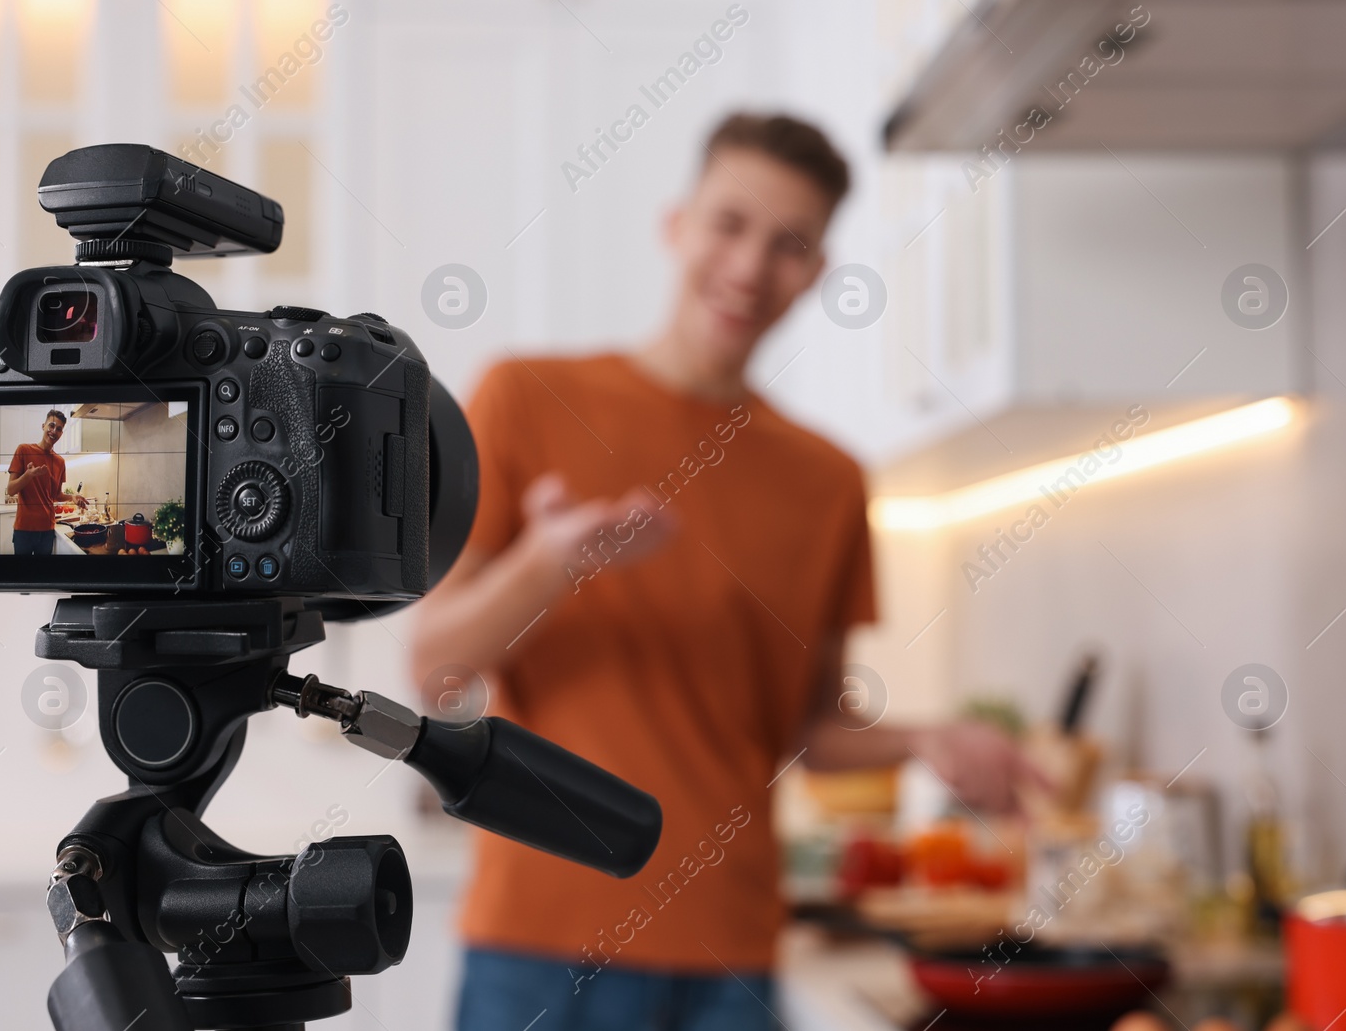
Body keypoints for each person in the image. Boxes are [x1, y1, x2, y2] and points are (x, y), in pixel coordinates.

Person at [411, 113, 1039, 1031]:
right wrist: (549, 563)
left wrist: (929, 738)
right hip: (542, 940)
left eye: (790, 244)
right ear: (678, 224)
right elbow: (432, 669)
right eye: (730, 224)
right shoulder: (525, 399)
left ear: (818, 271)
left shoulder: (828, 480)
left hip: (731, 953)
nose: (750, 267)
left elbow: (811, 728)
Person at [7, 409, 85, 555]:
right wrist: (28, 475)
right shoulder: (24, 450)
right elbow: (11, 490)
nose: (54, 431)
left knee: (42, 576)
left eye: (59, 429)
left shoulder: (60, 462)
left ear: (61, 434)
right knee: (21, 576)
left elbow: (56, 495)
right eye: (51, 426)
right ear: (43, 426)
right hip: (24, 529)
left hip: (47, 530)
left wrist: (72, 497)